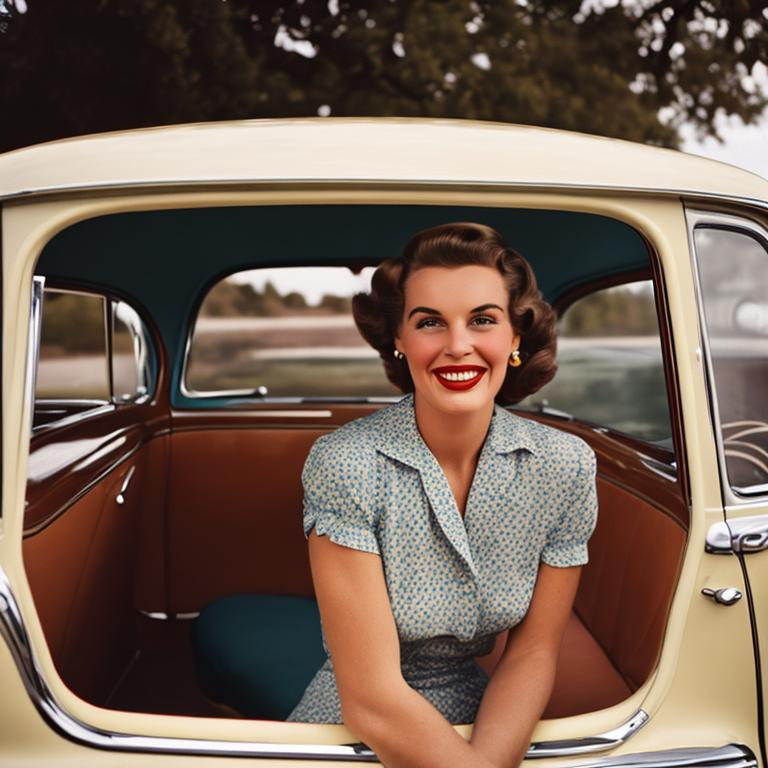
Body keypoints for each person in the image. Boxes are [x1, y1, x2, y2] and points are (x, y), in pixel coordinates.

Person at [286, 222, 598, 768]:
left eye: (482, 320)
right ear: (399, 342)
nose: (458, 345)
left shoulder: (565, 467)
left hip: (487, 723)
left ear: (515, 338)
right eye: (429, 322)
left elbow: (532, 654)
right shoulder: (345, 463)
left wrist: (490, 759)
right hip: (356, 730)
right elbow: (373, 700)